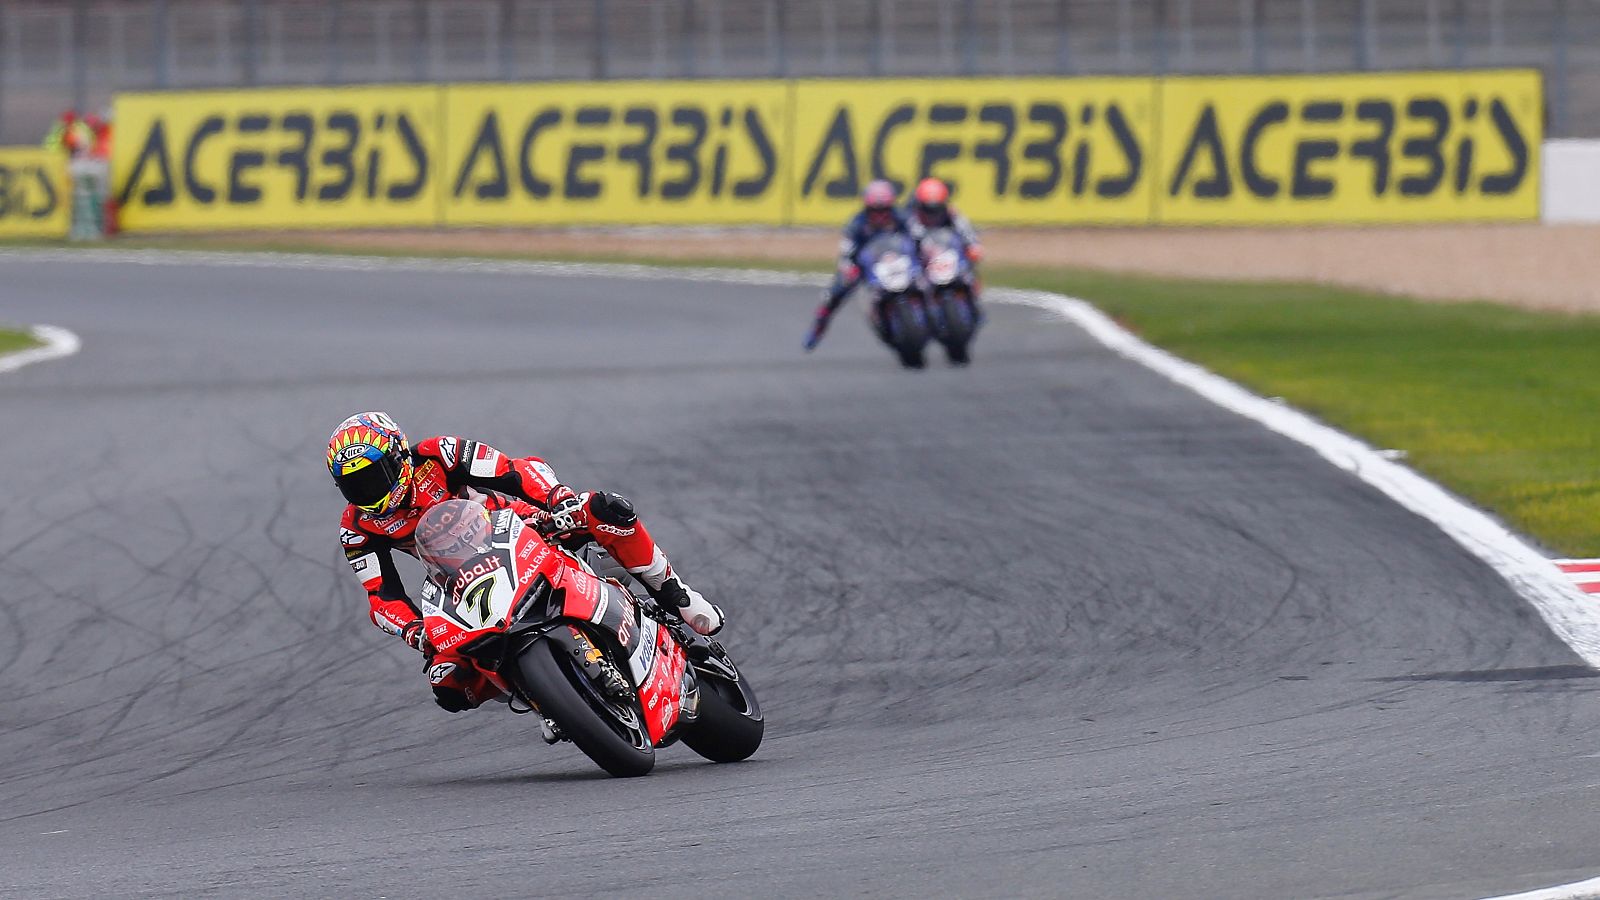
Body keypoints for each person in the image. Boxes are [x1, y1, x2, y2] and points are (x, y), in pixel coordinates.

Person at [327, 411, 724, 715]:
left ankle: (676, 594)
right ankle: (541, 695)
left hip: (521, 529)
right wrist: (416, 631)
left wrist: (556, 498)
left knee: (606, 509)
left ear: (398, 455)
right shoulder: (357, 527)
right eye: (354, 484)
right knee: (447, 685)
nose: (369, 491)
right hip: (461, 583)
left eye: (374, 476)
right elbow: (381, 597)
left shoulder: (438, 453)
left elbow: (514, 469)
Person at [803, 179, 911, 351]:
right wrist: (848, 267)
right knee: (834, 294)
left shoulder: (902, 218)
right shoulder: (857, 224)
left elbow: (917, 238)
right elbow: (846, 251)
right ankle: (817, 329)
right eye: (875, 211)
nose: (880, 216)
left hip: (898, 262)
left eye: (884, 210)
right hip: (868, 265)